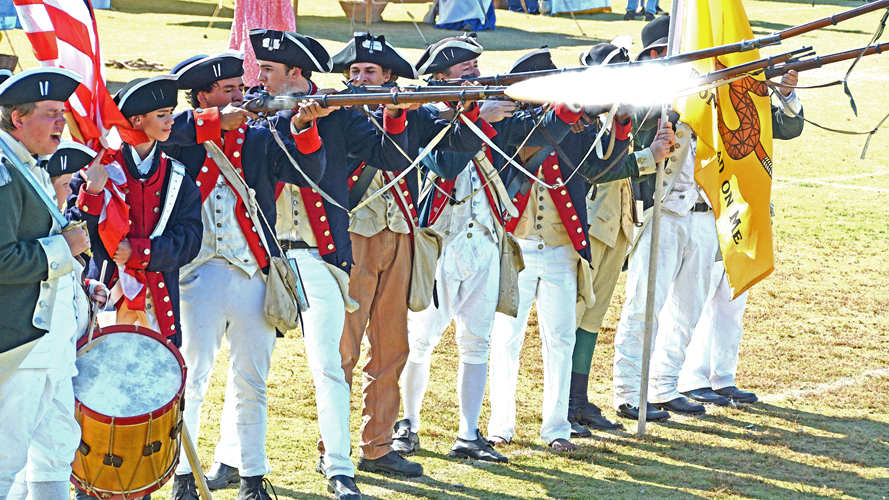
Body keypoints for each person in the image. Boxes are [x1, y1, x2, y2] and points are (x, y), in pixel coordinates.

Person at [396, 34, 586, 457]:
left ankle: (468, 434)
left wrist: (570, 104)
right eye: (466, 72)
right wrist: (479, 118)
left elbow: (544, 132)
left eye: (476, 70)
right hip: (441, 243)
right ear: (442, 79)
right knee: (421, 339)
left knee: (477, 342)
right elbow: (445, 162)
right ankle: (406, 422)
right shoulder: (426, 117)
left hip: (485, 243)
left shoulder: (495, 114)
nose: (477, 76)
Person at [613, 16, 808, 421]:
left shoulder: (715, 90)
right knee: (643, 307)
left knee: (687, 308)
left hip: (707, 216)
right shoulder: (650, 95)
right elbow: (640, 121)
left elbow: (782, 127)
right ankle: (628, 392)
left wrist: (783, 92)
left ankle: (664, 386)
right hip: (661, 215)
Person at [158, 51, 326, 500]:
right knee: (191, 378)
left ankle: (253, 478)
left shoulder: (260, 133)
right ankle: (182, 478)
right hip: (197, 272)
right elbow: (154, 133)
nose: (242, 95)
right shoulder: (182, 133)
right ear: (203, 97)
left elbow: (309, 173)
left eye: (241, 87)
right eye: (229, 89)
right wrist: (217, 122)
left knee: (251, 380)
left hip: (253, 269)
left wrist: (305, 127)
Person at [326, 31, 482, 481]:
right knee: (344, 349)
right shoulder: (338, 117)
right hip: (355, 237)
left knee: (392, 348)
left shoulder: (415, 115)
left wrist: (467, 107)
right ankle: (332, 447)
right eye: (353, 72)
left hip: (401, 236)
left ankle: (377, 446)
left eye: (369, 72)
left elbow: (453, 148)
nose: (358, 79)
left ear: (390, 77)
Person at [486, 46, 633, 448]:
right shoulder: (508, 128)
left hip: (561, 248)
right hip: (516, 247)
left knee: (561, 339)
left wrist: (619, 124)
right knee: (506, 339)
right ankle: (500, 425)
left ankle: (555, 427)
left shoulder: (571, 130)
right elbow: (534, 135)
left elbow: (602, 168)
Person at [0, 67, 100, 500]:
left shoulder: (28, 165)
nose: (62, 122)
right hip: (22, 342)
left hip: (51, 343)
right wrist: (63, 250)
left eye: (62, 112)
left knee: (58, 448)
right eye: (50, 113)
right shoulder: (5, 173)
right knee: (5, 458)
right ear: (18, 119)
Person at [567, 43, 676, 435]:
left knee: (592, 319)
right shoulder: (585, 117)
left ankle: (577, 399)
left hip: (616, 224)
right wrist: (649, 155)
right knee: (575, 315)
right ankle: (563, 402)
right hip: (592, 223)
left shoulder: (622, 113)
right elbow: (598, 168)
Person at [677, 72, 803, 407]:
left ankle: (723, 378)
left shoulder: (746, 100)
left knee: (733, 301)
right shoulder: (698, 100)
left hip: (745, 207)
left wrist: (786, 94)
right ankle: (692, 378)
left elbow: (788, 127)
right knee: (701, 297)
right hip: (705, 209)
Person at [69, 75, 202, 351]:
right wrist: (91, 193)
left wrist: (141, 252)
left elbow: (190, 240)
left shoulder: (178, 176)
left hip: (157, 298)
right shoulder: (97, 170)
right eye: (162, 114)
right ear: (137, 121)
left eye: (171, 114)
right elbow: (75, 235)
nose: (171, 121)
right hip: (103, 294)